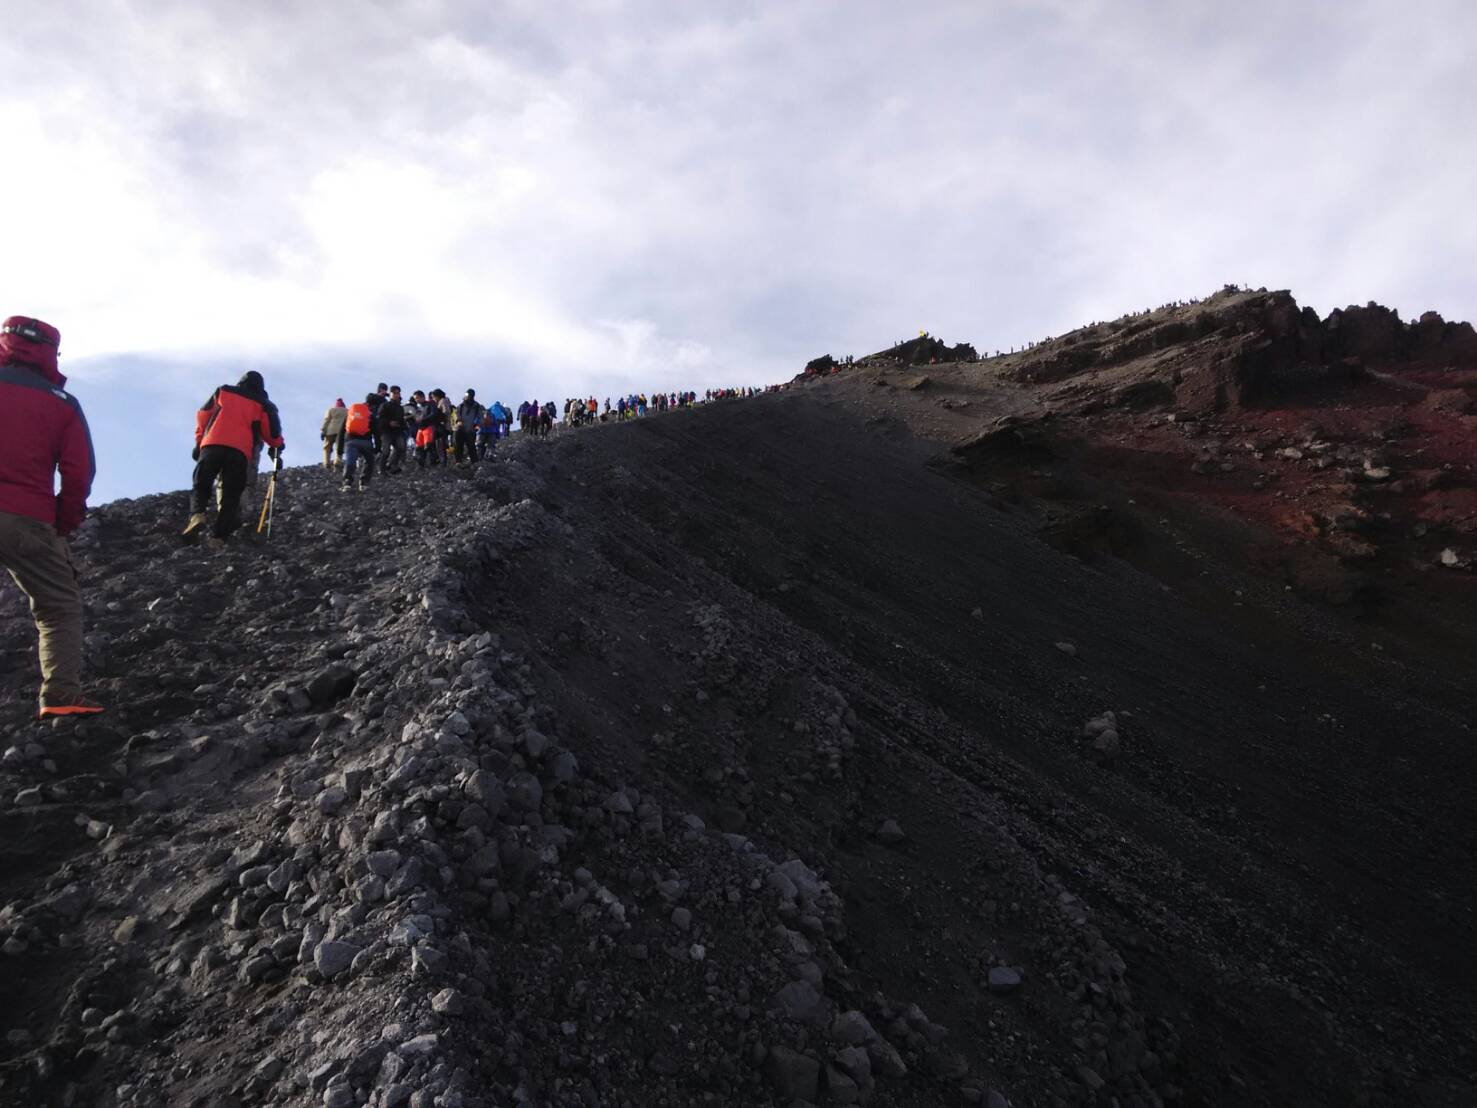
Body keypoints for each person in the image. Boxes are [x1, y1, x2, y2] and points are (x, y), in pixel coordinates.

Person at [0, 316, 103, 719]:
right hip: (29, 517)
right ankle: (60, 695)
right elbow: (79, 472)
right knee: (57, 605)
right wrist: (65, 520)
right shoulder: (61, 405)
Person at [185, 371, 284, 543]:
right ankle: (219, 536)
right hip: (239, 451)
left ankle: (197, 515)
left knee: (201, 483)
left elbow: (203, 414)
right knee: (231, 495)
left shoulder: (224, 391)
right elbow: (272, 431)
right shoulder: (263, 404)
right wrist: (276, 448)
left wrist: (199, 441)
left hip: (212, 444)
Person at [342, 394, 376, 491]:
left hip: (351, 441)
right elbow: (376, 432)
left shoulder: (352, 413)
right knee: (369, 462)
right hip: (366, 442)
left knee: (350, 461)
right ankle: (364, 483)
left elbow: (342, 430)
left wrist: (340, 448)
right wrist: (378, 446)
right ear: (372, 405)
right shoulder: (370, 415)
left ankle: (347, 482)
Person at [377, 385, 406, 475]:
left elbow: (402, 419)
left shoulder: (400, 408)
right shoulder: (385, 405)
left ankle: (392, 465)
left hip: (397, 431)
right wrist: (389, 423)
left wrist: (402, 426)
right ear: (390, 394)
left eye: (398, 393)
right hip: (386, 431)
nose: (396, 395)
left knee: (401, 447)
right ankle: (382, 469)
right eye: (394, 393)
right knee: (386, 450)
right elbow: (379, 418)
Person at [454, 389, 484, 465]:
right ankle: (458, 461)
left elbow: (480, 418)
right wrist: (458, 421)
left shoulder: (476, 406)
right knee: (458, 446)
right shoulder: (461, 406)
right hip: (460, 429)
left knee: (471, 447)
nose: (467, 397)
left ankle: (474, 462)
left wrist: (477, 425)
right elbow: (457, 414)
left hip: (471, 430)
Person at [321, 398, 347, 468]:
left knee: (327, 447)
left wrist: (323, 431)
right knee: (339, 447)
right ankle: (337, 462)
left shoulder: (331, 410)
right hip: (341, 432)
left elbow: (326, 420)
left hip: (330, 431)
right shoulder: (347, 411)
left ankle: (326, 462)